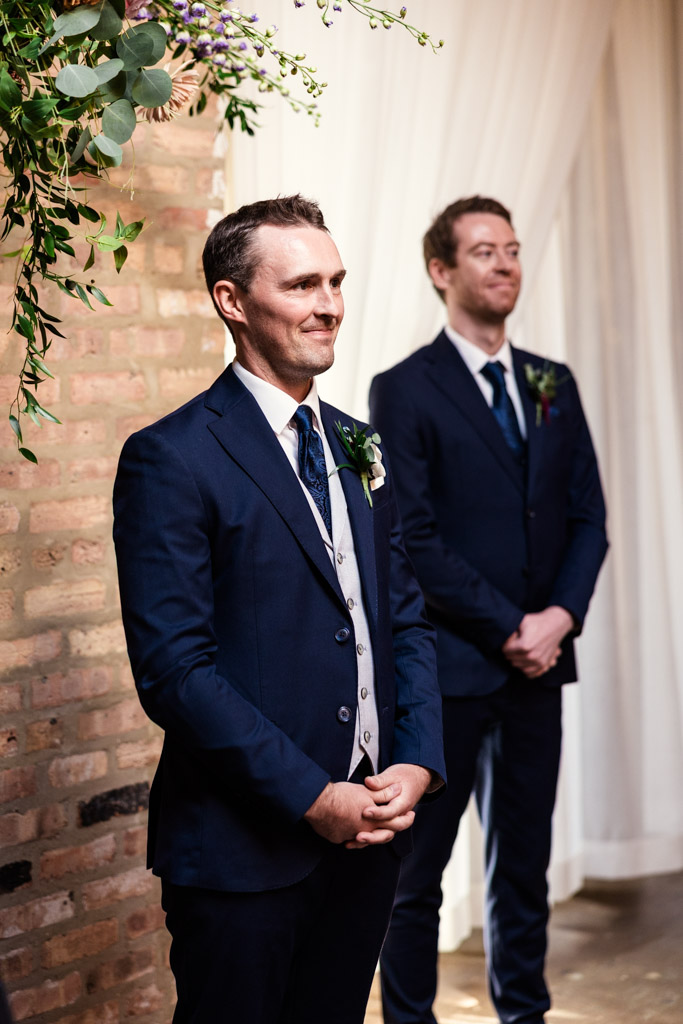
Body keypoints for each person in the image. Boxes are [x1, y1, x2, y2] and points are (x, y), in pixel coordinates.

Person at [112, 194, 445, 1024]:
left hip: (368, 840)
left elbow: (401, 618)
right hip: (241, 854)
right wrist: (311, 796)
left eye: (334, 281)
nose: (328, 304)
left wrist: (414, 762)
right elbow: (175, 673)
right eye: (301, 285)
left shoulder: (356, 442)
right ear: (233, 301)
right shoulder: (170, 458)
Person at [369, 195, 608, 1024]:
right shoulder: (402, 389)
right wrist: (509, 628)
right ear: (441, 272)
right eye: (483, 251)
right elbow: (415, 537)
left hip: (540, 669)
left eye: (510, 249)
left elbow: (586, 518)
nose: (504, 263)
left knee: (524, 866)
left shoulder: (550, 381)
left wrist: (558, 620)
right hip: (452, 670)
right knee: (416, 874)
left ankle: (525, 1015)